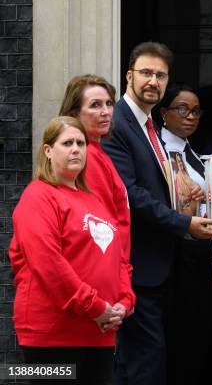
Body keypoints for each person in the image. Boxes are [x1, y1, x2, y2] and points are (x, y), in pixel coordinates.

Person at [101, 42, 212, 385]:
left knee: (148, 362)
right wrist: (184, 222)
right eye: (146, 73)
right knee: (145, 365)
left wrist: (186, 197)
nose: (153, 81)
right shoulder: (119, 124)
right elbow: (130, 195)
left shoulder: (148, 125)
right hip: (137, 266)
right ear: (129, 76)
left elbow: (156, 187)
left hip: (161, 267)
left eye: (161, 75)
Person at [9, 116, 134, 385]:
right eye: (67, 143)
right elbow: (48, 264)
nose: (76, 148)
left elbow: (119, 259)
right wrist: (96, 307)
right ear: (48, 150)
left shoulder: (95, 200)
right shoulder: (38, 196)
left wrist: (124, 302)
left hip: (100, 330)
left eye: (81, 143)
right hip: (53, 333)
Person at [156, 83, 212, 384]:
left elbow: (209, 211)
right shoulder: (154, 151)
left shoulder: (194, 155)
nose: (190, 116)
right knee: (173, 337)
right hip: (170, 254)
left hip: (199, 254)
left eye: (195, 111)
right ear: (163, 112)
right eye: (182, 109)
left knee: (197, 336)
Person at [58, 74, 134, 313]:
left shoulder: (98, 151)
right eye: (95, 105)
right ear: (74, 114)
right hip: (101, 278)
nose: (106, 112)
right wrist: (120, 287)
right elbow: (103, 226)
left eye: (109, 104)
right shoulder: (87, 156)